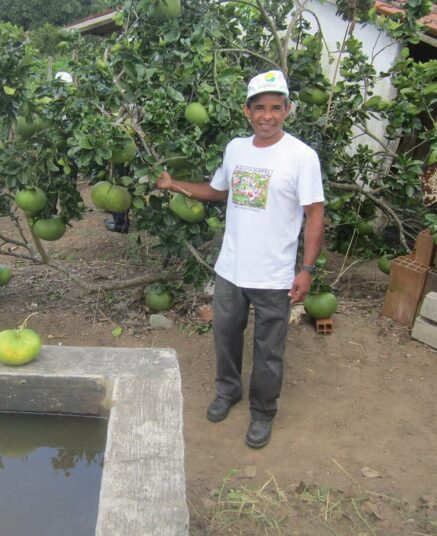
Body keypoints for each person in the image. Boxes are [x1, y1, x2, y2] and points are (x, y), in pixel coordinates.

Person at [155, 70, 325, 448]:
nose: (268, 116)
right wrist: (174, 186)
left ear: (287, 110)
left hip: (274, 275)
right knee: (225, 336)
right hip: (231, 270)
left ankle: (263, 413)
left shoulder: (302, 157)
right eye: (260, 108)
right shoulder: (236, 149)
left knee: (269, 351)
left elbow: (315, 212)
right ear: (247, 111)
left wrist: (307, 269)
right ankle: (228, 391)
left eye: (276, 108)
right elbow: (218, 192)